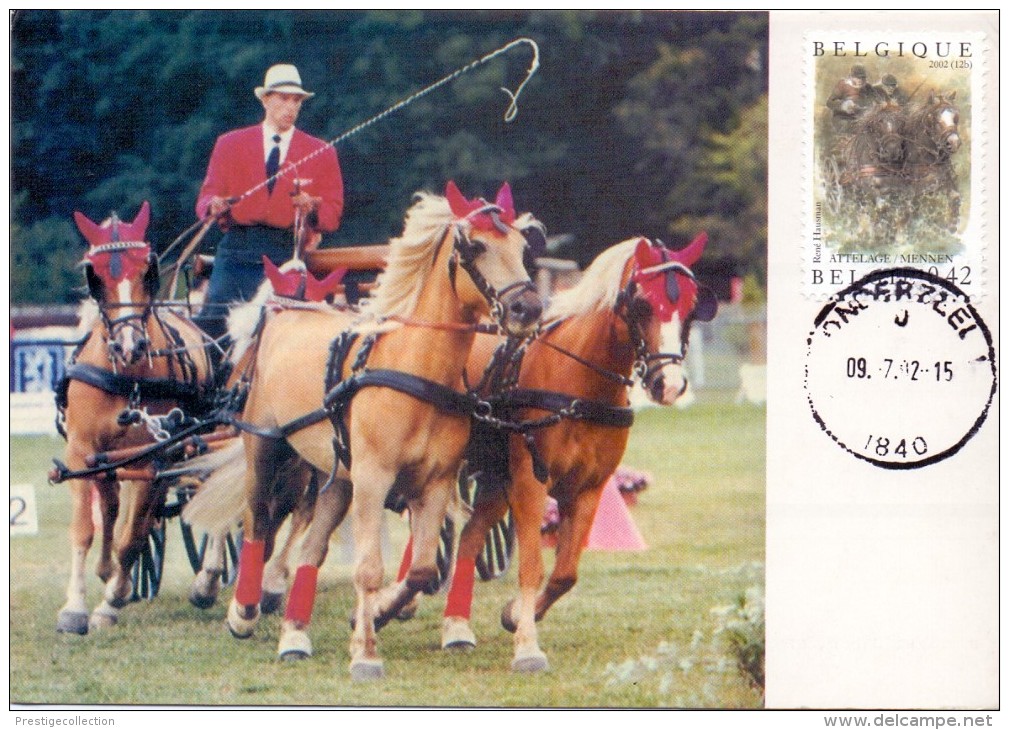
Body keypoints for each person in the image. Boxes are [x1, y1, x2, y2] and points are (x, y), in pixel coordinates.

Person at [194, 63, 343, 343]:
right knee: (212, 325)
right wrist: (212, 206)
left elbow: (333, 214)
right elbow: (205, 197)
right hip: (236, 252)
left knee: (282, 334)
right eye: (283, 99)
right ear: (265, 100)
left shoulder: (321, 152)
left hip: (284, 255)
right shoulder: (229, 144)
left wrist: (312, 207)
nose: (291, 107)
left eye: (296, 100)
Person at [825, 65, 881, 133]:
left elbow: (879, 101)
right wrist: (844, 105)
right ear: (851, 77)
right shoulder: (843, 85)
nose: (860, 80)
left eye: (863, 78)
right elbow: (829, 102)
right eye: (857, 78)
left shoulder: (868, 87)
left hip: (862, 118)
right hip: (844, 118)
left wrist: (874, 107)